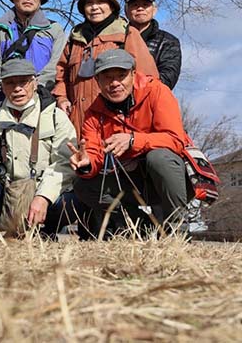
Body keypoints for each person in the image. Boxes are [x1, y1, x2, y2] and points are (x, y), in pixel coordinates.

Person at [69, 49, 195, 235]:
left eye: (121, 76)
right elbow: (94, 154)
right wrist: (86, 164)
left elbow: (175, 139)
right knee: (83, 185)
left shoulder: (158, 91)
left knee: (159, 157)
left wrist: (133, 140)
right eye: (107, 77)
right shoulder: (93, 113)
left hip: (171, 178)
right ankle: (136, 226)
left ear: (134, 74)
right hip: (129, 180)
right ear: (97, 81)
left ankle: (178, 230)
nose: (115, 83)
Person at [0, 59, 84, 238]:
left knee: (75, 198)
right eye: (10, 83)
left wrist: (43, 197)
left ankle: (44, 232)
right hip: (4, 190)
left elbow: (63, 165)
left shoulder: (56, 116)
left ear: (35, 82)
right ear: (2, 87)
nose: (17, 89)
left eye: (23, 82)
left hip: (41, 192)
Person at [52, 0, 159, 137]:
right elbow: (61, 74)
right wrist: (61, 98)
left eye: (101, 2)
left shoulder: (127, 34)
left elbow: (147, 81)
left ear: (112, 6)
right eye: (89, 3)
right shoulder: (75, 38)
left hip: (115, 126)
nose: (95, 7)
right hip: (76, 126)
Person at [0, 0, 66, 103]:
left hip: (43, 98)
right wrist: (8, 87)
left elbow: (55, 65)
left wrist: (36, 88)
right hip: (4, 99)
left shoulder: (54, 30)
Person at [125, 0, 181, 89]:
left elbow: (168, 79)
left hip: (153, 99)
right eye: (135, 5)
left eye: (145, 5)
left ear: (154, 10)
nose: (140, 8)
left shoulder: (168, 42)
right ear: (126, 11)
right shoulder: (117, 38)